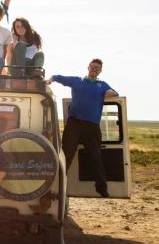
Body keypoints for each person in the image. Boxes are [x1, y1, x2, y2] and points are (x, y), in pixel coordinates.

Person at [47, 59, 118, 197]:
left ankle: (101, 188)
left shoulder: (102, 85)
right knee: (66, 155)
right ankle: (59, 186)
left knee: (96, 156)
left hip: (91, 126)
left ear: (100, 71)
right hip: (74, 124)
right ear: (88, 67)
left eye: (97, 68)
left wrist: (109, 93)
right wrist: (51, 79)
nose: (94, 69)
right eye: (92, 67)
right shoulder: (77, 81)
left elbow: (114, 93)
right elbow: (59, 77)